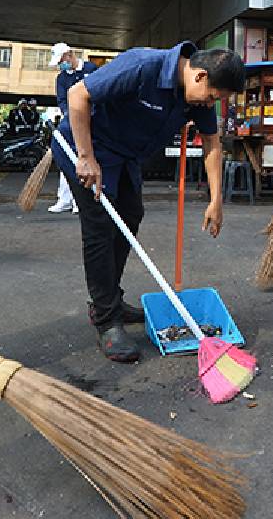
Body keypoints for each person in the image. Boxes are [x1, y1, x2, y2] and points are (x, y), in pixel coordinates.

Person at [51, 43, 244, 362]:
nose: (211, 104)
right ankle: (106, 320)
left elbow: (211, 141)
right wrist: (85, 158)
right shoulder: (142, 66)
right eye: (212, 97)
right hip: (85, 146)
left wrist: (216, 200)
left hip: (126, 155)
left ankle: (109, 299)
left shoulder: (197, 93)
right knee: (100, 227)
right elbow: (77, 96)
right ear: (199, 76)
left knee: (130, 216)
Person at [48, 42, 97, 214]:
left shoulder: (91, 69)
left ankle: (80, 200)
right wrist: (71, 117)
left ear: (69, 55)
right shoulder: (62, 78)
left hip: (92, 123)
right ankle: (65, 199)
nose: (61, 65)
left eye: (61, 60)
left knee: (85, 160)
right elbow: (62, 101)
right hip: (71, 124)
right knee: (67, 160)